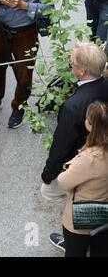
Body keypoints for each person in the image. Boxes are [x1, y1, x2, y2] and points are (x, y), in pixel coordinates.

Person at [43, 42, 108, 252]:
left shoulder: (73, 106)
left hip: (82, 167)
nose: (70, 67)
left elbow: (61, 145)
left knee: (69, 203)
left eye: (71, 64)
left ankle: (75, 243)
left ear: (80, 72)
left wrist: (49, 173)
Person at [0, 0, 53, 129]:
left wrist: (24, 5)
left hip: (26, 32)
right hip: (1, 28)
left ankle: (19, 107)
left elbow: (48, 9)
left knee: (24, 75)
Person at [56, 101, 108, 257]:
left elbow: (63, 182)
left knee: (75, 251)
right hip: (104, 212)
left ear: (91, 125)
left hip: (83, 215)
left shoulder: (89, 159)